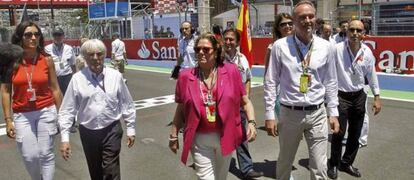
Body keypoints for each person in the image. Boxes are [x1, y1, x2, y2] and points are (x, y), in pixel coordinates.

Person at [264, 1, 340, 179]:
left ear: (315, 19)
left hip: (318, 113)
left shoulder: (326, 46)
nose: (307, 20)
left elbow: (331, 81)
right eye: (301, 17)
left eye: (310, 16)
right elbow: (271, 81)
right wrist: (269, 115)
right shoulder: (280, 46)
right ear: (294, 20)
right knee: (285, 162)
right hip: (290, 113)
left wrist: (333, 112)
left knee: (320, 166)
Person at [168, 32, 257, 180]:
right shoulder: (185, 76)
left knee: (220, 177)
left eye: (206, 49)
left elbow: (245, 101)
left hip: (226, 135)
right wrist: (173, 134)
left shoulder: (231, 71)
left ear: (216, 51)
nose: (201, 52)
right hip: (199, 138)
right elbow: (182, 109)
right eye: (198, 49)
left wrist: (252, 123)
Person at [58, 39, 136, 180]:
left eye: (99, 54)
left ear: (104, 55)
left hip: (111, 129)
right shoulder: (77, 79)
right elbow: (67, 110)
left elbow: (126, 103)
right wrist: (65, 138)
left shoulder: (115, 76)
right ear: (84, 57)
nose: (95, 58)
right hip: (88, 131)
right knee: (95, 171)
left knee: (110, 171)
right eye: (90, 55)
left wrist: (131, 128)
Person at [1, 21, 63, 180]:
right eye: (28, 34)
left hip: (46, 110)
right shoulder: (10, 61)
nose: (33, 37)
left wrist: (62, 115)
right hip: (22, 114)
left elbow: (55, 88)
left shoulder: (47, 60)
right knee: (30, 156)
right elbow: (6, 91)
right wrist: (8, 120)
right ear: (20, 38)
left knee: (46, 153)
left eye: (36, 34)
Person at [327, 20, 381, 179]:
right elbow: (328, 75)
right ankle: (334, 164)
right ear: (347, 32)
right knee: (338, 133)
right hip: (340, 96)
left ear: (364, 33)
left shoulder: (367, 51)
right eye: (352, 30)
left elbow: (371, 74)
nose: (355, 33)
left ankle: (346, 163)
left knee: (355, 134)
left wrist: (377, 96)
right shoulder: (336, 49)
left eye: (359, 30)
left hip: (358, 96)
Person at [222, 28, 263, 179]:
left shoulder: (242, 58)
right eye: (225, 39)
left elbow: (247, 80)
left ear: (238, 42)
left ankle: (246, 169)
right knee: (220, 137)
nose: (228, 42)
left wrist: (246, 101)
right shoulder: (218, 58)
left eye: (231, 39)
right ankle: (216, 166)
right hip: (221, 107)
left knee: (241, 138)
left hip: (239, 106)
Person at [45, 27, 76, 95]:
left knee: (69, 97)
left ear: (63, 36)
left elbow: (73, 64)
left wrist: (75, 77)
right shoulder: (47, 49)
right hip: (54, 78)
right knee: (56, 96)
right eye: (55, 35)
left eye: (59, 35)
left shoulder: (69, 48)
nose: (57, 37)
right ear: (52, 36)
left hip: (67, 77)